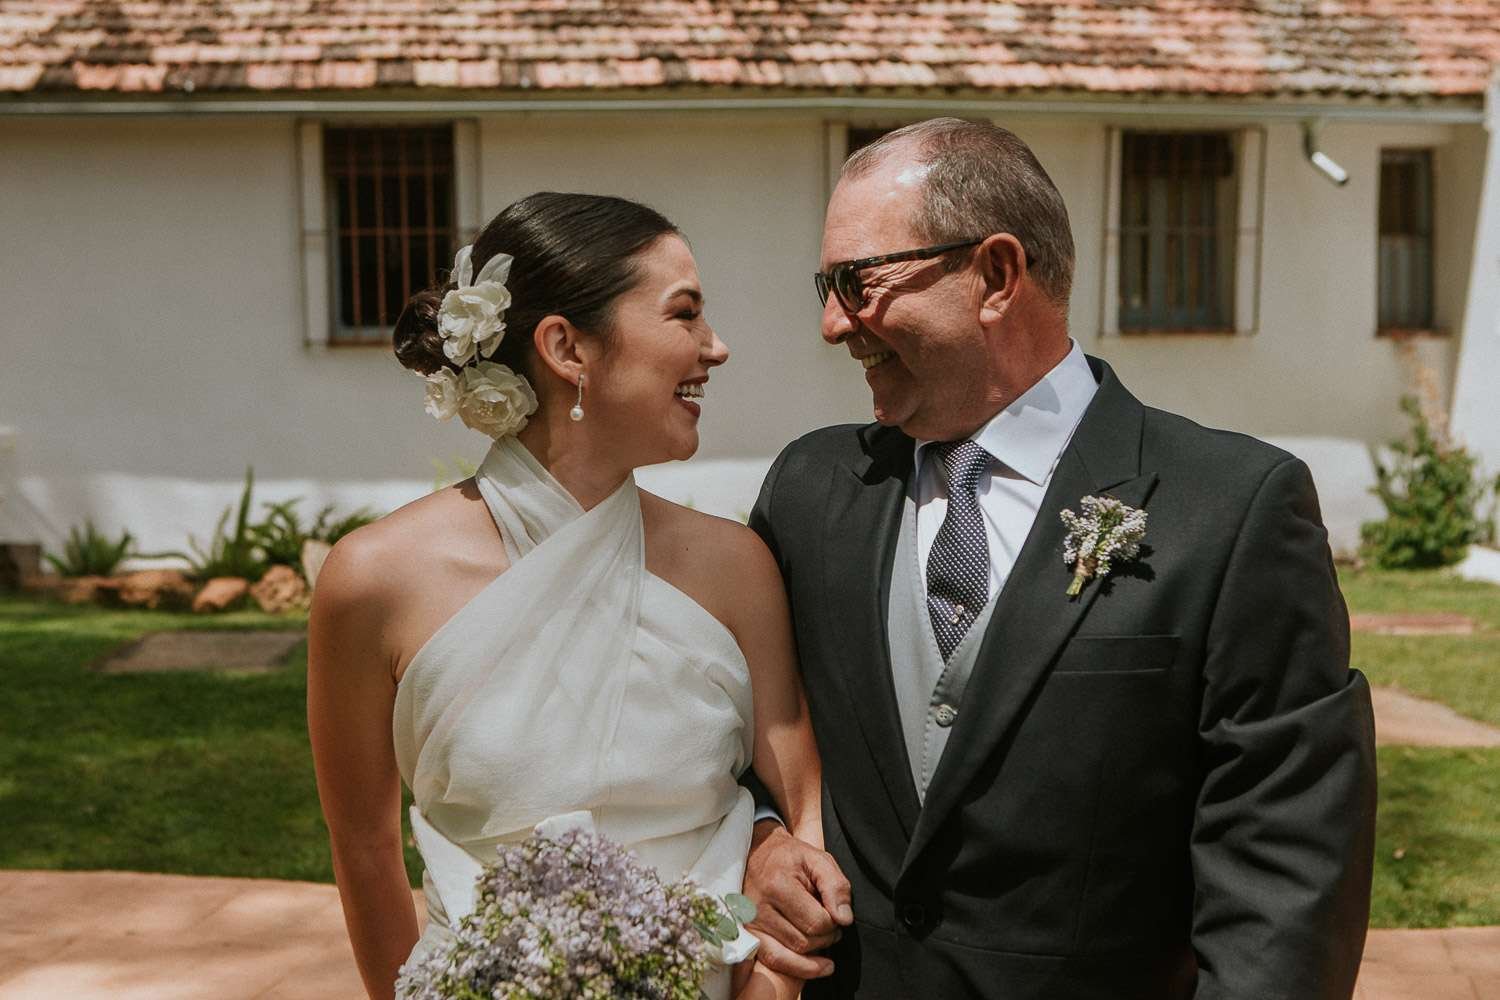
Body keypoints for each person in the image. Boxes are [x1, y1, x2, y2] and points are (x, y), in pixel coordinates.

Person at [741, 119, 1378, 998]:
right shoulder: (810, 488)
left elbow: (1286, 863)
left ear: (996, 275)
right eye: (827, 284)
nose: (830, 323)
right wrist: (764, 835)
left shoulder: (1230, 506)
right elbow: (732, 731)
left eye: (859, 282)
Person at [307, 192, 819, 1000]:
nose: (716, 348)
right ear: (566, 348)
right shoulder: (373, 581)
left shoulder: (736, 568)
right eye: (684, 315)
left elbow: (808, 811)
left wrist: (782, 933)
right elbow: (363, 846)